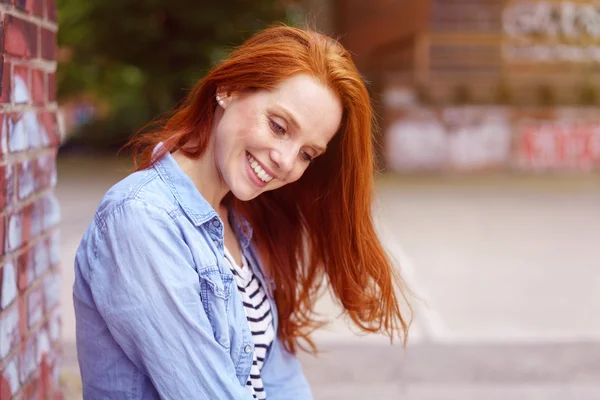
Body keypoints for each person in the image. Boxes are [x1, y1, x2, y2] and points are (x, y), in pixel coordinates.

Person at [73, 25, 411, 399]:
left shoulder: (242, 224)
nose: (285, 162)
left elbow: (283, 384)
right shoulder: (141, 220)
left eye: (306, 154)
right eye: (279, 126)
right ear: (229, 89)